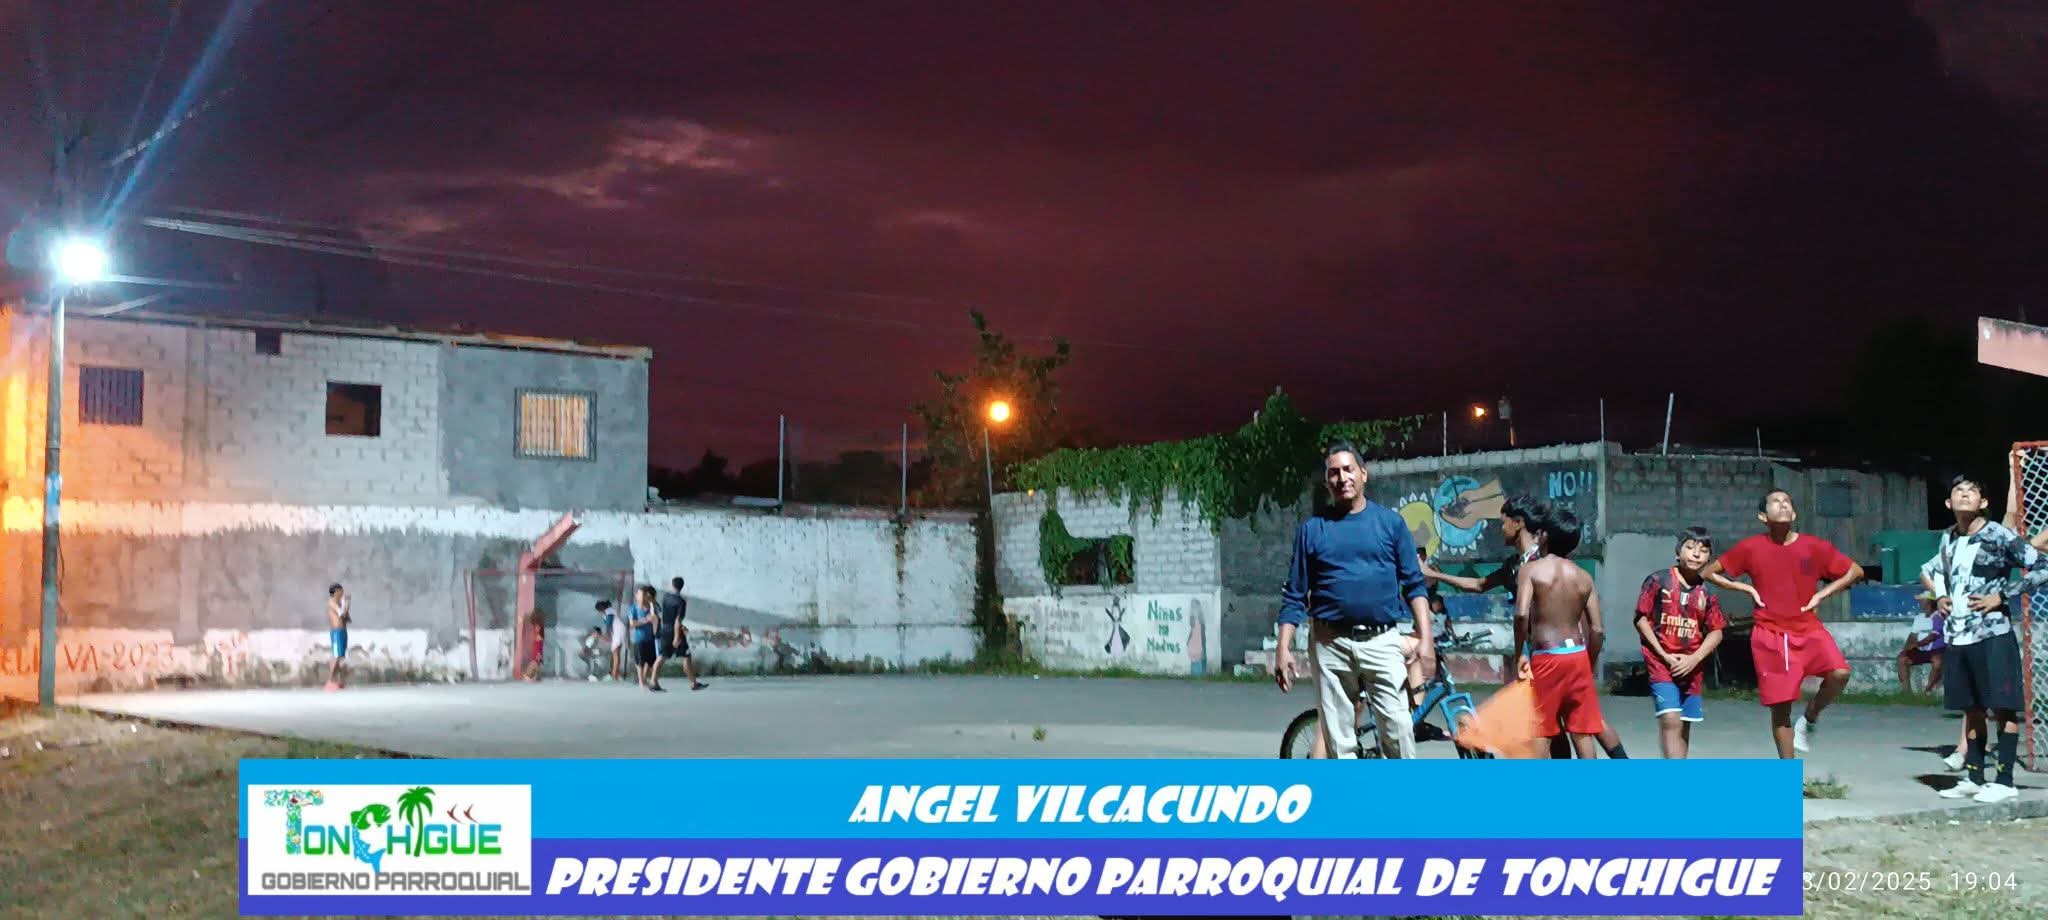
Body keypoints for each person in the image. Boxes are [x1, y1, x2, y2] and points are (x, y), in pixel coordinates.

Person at [1427, 497, 1628, 759]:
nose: (1500, 528)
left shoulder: (1535, 563)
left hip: (1550, 653)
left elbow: (1528, 614)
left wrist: (1522, 652)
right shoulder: (1519, 564)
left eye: (1503, 522)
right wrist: (1436, 575)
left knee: (1560, 726)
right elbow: (1479, 584)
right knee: (1577, 726)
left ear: (1519, 523)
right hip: (1569, 653)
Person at [1275, 441, 1435, 760]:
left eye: (1348, 470)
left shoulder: (1390, 524)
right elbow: (1295, 593)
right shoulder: (1312, 530)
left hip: (1382, 641)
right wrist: (1283, 647)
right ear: (1327, 481)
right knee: (1339, 740)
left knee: (1398, 730)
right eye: (1334, 473)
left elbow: (1414, 585)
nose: (1342, 478)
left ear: (1363, 474)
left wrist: (1426, 639)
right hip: (1330, 643)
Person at [1702, 489, 1864, 759]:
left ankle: (1810, 718)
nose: (1783, 505)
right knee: (1781, 709)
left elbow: (1855, 571)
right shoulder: (1751, 547)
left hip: (1808, 628)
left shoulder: (1813, 546)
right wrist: (1746, 589)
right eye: (1776, 502)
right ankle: (1788, 773)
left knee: (1840, 673)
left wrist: (1821, 595)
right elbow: (1709, 572)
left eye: (1787, 502)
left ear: (1795, 513)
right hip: (1770, 635)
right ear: (1762, 516)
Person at [1919, 474, 2048, 804]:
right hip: (1959, 636)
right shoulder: (1948, 538)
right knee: (1972, 708)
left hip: (1992, 634)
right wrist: (1941, 596)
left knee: (2003, 707)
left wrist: (2002, 595)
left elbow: (2042, 566)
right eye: (1958, 491)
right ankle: (1974, 777)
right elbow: (1933, 572)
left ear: (1984, 502)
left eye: (1972, 491)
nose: (1964, 495)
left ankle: (2005, 780)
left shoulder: (1998, 535)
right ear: (1948, 502)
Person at [1509, 508, 1606, 759]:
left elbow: (1521, 615)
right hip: (1577, 655)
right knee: (1582, 731)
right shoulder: (1584, 577)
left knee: (1541, 729)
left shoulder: (1531, 570)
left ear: (1544, 536)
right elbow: (1597, 629)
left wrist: (1520, 653)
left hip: (1546, 656)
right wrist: (1589, 662)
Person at [1634, 527, 1727, 759]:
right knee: (1670, 719)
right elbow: (1641, 619)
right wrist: (1663, 655)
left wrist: (1694, 659)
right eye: (1690, 547)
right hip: (1661, 663)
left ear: (1709, 558)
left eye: (1703, 550)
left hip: (1691, 666)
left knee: (1684, 723)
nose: (1696, 554)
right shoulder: (1658, 580)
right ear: (1678, 552)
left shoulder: (1707, 591)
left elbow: (1716, 631)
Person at [658, 576, 708, 691]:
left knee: (662, 656)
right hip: (675, 631)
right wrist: (676, 637)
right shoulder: (681, 601)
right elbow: (677, 621)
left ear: (672, 585)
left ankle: (653, 681)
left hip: (665, 629)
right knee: (686, 656)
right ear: (682, 587)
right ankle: (693, 683)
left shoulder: (666, 597)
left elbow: (667, 615)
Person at [1896, 592, 1945, 694]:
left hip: (1937, 651)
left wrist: (1917, 644)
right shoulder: (1919, 618)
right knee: (1902, 659)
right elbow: (1912, 636)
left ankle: (1927, 691)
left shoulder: (1939, 616)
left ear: (1929, 603)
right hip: (1921, 650)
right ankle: (1906, 692)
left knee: (1938, 663)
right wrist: (1906, 649)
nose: (1920, 603)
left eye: (1922, 601)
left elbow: (1933, 636)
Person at [628, 585, 664, 691]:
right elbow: (632, 624)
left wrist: (652, 606)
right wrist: (645, 620)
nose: (643, 597)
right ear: (637, 596)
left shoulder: (652, 607)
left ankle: (647, 680)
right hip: (639, 639)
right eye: (641, 594)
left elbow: (656, 619)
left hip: (651, 638)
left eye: (645, 594)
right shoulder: (633, 608)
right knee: (640, 662)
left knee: (650, 661)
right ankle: (641, 682)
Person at [325, 583, 350, 691]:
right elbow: (341, 613)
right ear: (335, 592)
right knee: (336, 656)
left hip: (342, 631)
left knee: (340, 656)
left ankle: (336, 680)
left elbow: (346, 617)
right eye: (341, 591)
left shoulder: (340, 603)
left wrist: (346, 607)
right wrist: (346, 602)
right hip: (336, 633)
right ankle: (330, 681)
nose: (343, 593)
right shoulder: (332, 602)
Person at [600, 599, 628, 681]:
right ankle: (615, 673)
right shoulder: (606, 613)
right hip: (617, 631)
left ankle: (614, 675)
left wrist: (607, 634)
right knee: (616, 653)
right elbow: (609, 625)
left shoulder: (609, 611)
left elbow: (609, 624)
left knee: (616, 653)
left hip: (618, 630)